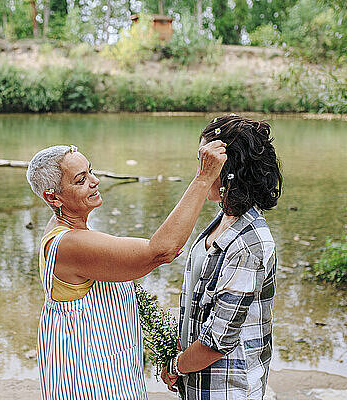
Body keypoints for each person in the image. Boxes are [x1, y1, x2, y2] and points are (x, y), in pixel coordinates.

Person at [26, 141, 227, 399]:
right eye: (80, 180)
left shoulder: (72, 230)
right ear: (53, 197)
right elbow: (162, 251)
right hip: (88, 381)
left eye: (90, 171)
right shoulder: (69, 244)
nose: (95, 181)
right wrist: (203, 179)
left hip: (102, 371)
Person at [161, 114, 282, 400]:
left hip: (228, 389)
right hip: (200, 383)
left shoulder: (249, 244)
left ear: (231, 171)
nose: (200, 171)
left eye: (207, 164)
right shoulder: (223, 219)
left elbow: (218, 341)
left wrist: (176, 366)